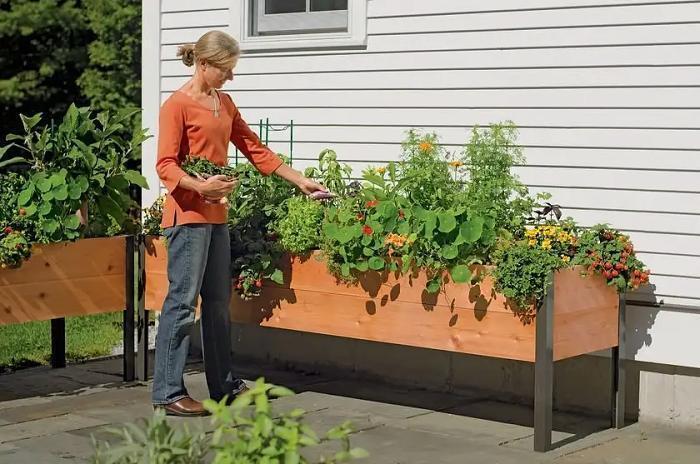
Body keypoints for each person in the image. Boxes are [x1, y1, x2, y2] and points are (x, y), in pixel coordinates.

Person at [152, 30, 326, 416]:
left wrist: (300, 180)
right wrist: (201, 185)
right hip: (187, 216)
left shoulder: (225, 104)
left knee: (217, 304)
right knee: (181, 304)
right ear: (203, 65)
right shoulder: (176, 106)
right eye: (225, 70)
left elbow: (254, 148)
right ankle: (167, 392)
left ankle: (225, 387)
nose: (230, 77)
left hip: (216, 217)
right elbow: (165, 164)